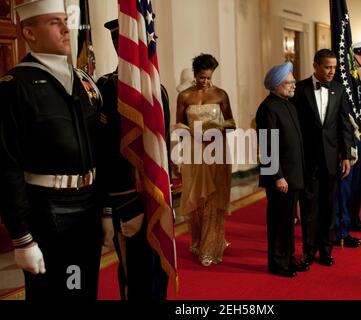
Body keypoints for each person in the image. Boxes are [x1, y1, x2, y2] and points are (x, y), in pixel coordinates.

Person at [0, 0, 104, 300]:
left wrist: (107, 210)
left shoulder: (85, 82)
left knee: (83, 288)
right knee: (54, 295)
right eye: (53, 22)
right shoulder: (15, 86)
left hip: (88, 204)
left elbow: (101, 147)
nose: (65, 28)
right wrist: (22, 238)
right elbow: (6, 165)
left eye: (64, 20)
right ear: (29, 33)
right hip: (49, 210)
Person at [96, 19, 168, 300]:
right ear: (121, 46)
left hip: (156, 194)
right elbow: (102, 150)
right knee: (136, 271)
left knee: (158, 267)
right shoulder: (107, 87)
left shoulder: (157, 90)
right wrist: (105, 206)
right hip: (125, 195)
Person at [291, 49, 353, 271]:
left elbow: (344, 125)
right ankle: (308, 252)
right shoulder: (299, 89)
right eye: (327, 67)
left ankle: (326, 251)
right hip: (307, 159)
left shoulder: (338, 88)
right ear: (316, 65)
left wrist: (346, 155)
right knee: (309, 208)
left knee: (328, 206)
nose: (331, 71)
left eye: (334, 67)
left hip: (331, 158)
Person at [176, 53, 236, 267]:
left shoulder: (220, 95)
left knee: (214, 200)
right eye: (202, 77)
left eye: (209, 77)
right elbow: (179, 125)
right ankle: (198, 240)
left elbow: (231, 123)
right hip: (194, 153)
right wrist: (191, 133)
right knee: (196, 201)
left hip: (216, 151)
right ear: (195, 74)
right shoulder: (184, 96)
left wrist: (217, 130)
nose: (206, 82)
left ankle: (211, 246)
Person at [256, 62, 305, 277]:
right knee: (279, 222)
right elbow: (267, 146)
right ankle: (277, 263)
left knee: (289, 221)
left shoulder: (288, 104)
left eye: (293, 82)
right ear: (276, 85)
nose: (294, 86)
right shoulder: (267, 108)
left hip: (292, 175)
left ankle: (288, 257)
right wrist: (278, 176)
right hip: (280, 177)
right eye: (289, 83)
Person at [334, 42, 361, 248]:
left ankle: (353, 218)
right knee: (346, 185)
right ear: (350, 58)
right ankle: (342, 225)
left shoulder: (356, 80)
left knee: (357, 182)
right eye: (359, 55)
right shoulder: (345, 82)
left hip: (360, 135)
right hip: (351, 136)